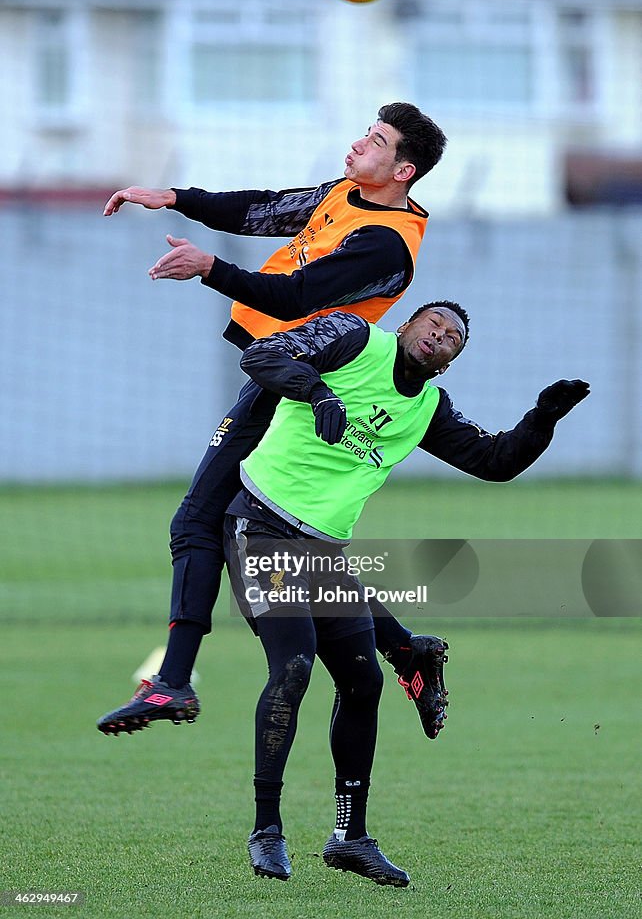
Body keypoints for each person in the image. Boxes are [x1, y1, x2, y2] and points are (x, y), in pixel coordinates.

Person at [97, 103, 453, 736]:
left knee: (197, 522)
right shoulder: (346, 194)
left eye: (374, 141)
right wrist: (173, 197)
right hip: (280, 375)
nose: (356, 145)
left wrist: (211, 268)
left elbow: (294, 297)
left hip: (300, 384)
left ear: (403, 169)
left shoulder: (385, 245)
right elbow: (263, 208)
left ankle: (173, 684)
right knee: (292, 555)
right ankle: (405, 648)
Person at [219, 302, 590, 883]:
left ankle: (350, 837)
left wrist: (542, 417)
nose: (439, 337)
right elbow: (260, 354)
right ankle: (267, 830)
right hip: (261, 529)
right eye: (433, 324)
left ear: (448, 363)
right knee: (292, 667)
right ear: (407, 326)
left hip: (322, 552)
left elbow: (494, 461)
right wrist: (317, 392)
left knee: (364, 680)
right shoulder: (355, 341)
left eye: (452, 339)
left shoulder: (426, 409)